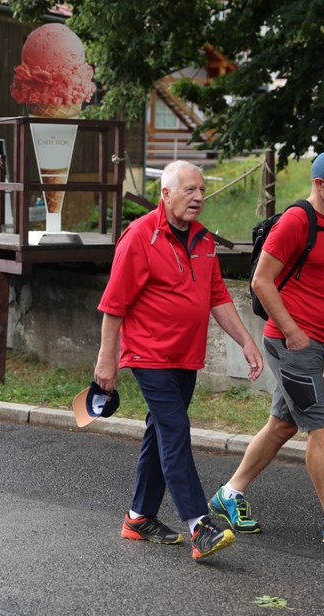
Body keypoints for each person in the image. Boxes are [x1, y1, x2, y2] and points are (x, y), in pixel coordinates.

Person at [208, 149, 324, 549]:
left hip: (318, 342)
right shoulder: (295, 221)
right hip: (291, 345)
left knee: (283, 424)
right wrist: (293, 331)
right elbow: (261, 281)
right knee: (323, 427)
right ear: (319, 183)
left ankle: (229, 494)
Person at [94, 160, 264, 560]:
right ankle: (199, 525)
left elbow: (217, 297)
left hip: (186, 356)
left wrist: (246, 342)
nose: (199, 197)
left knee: (160, 432)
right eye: (190, 190)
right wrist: (107, 361)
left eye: (202, 190)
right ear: (166, 194)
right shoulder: (139, 237)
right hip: (148, 354)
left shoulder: (204, 240)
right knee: (175, 430)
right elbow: (114, 305)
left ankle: (138, 517)